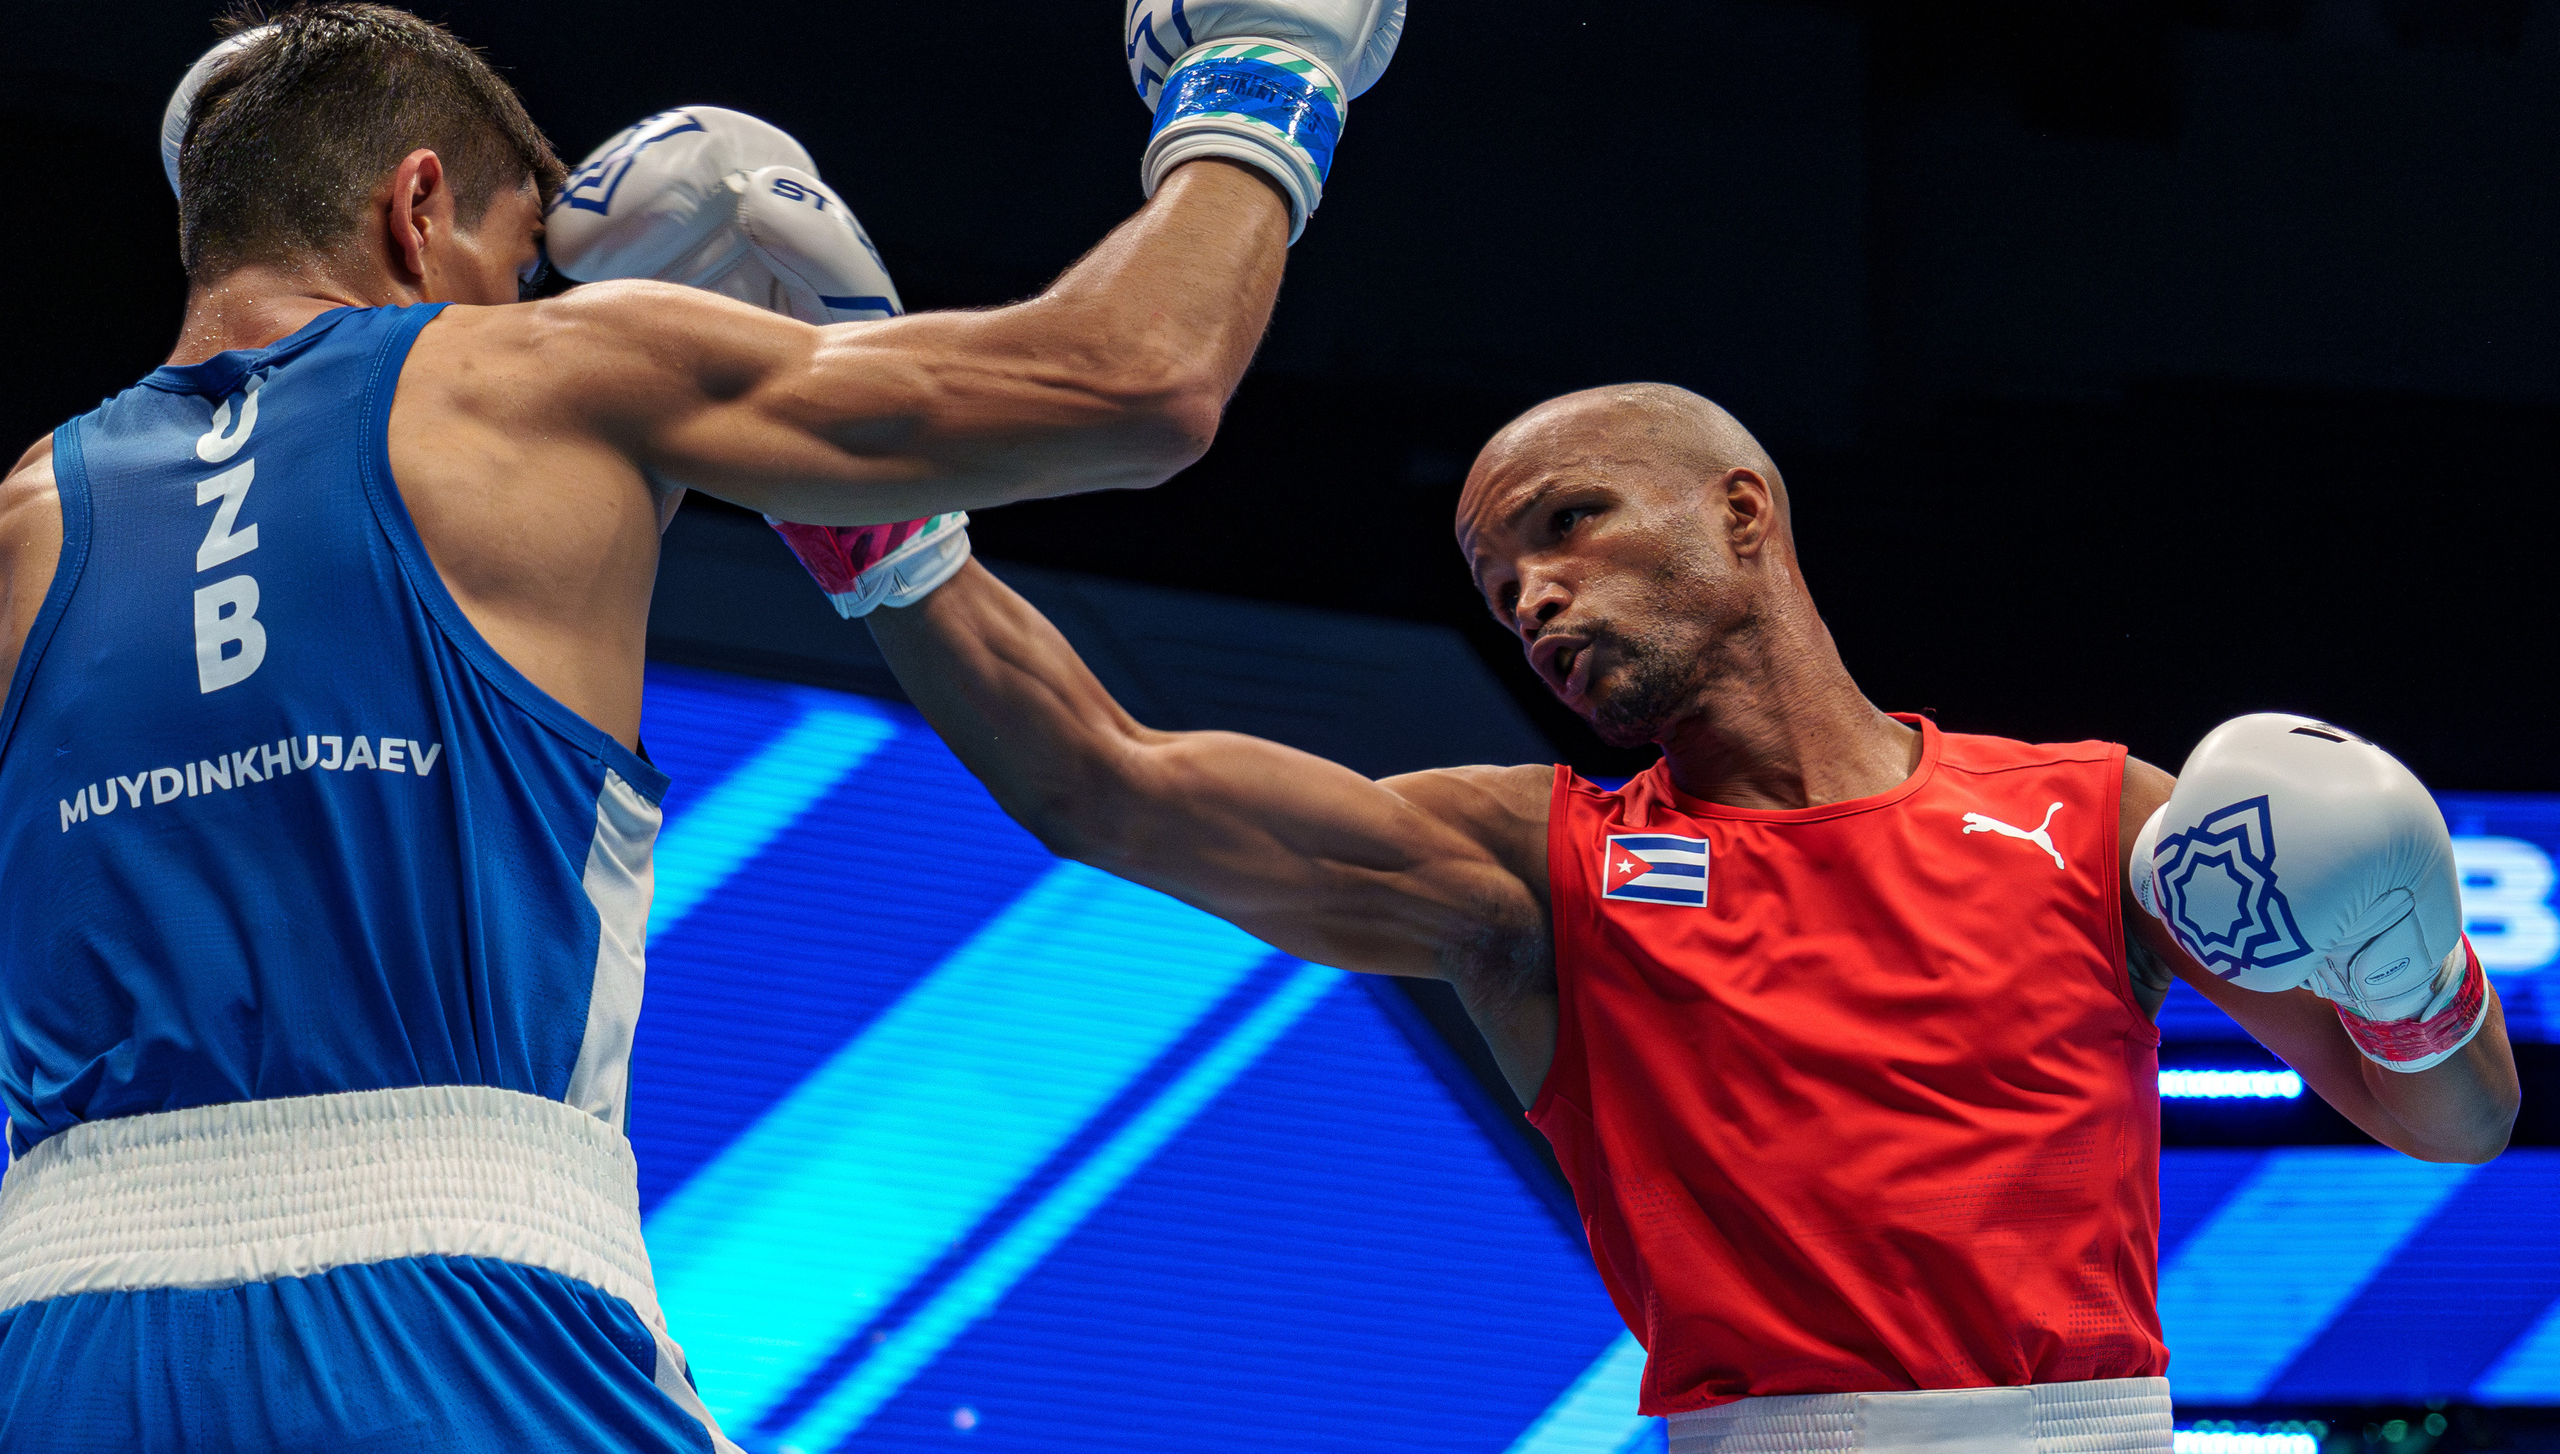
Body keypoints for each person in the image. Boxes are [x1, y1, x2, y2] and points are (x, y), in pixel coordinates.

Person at [0, 0, 1406, 1453]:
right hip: (462, 1302)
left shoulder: (23, 523)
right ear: (419, 208)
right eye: (515, 263)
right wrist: (1262, 73)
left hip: (53, 1332)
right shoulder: (536, 373)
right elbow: (1140, 381)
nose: (520, 299)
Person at [853, 381, 2520, 1454]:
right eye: (1500, 585)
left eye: (1566, 525)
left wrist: (2407, 963)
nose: (1533, 599)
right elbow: (1106, 784)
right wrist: (855, 494)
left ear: (1743, 511)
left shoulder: (2095, 816)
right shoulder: (1533, 870)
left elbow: (2448, 1121)